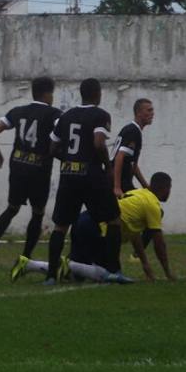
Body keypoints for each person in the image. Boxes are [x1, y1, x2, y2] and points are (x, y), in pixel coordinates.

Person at [14, 172, 175, 284]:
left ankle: (28, 265)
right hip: (97, 230)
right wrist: (167, 272)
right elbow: (159, 244)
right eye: (170, 188)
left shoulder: (139, 193)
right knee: (108, 276)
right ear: (164, 188)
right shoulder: (153, 205)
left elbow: (135, 234)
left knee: (75, 277)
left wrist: (145, 263)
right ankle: (67, 264)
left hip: (84, 220)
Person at [44, 78, 123, 284]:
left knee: (60, 226)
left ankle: (51, 275)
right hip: (91, 175)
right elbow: (98, 143)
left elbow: (52, 148)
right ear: (98, 94)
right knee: (113, 219)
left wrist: (70, 160)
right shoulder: (100, 115)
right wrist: (108, 167)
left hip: (69, 175)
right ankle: (113, 270)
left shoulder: (65, 116)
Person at [0, 76, 61, 267]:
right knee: (38, 213)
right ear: (47, 94)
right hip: (39, 169)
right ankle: (25, 257)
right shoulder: (54, 114)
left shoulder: (17, 111)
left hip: (18, 166)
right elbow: (60, 135)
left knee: (12, 208)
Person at [111, 98, 154, 199]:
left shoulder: (134, 131)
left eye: (152, 110)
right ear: (138, 113)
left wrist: (146, 186)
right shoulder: (133, 131)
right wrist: (117, 187)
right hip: (120, 184)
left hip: (125, 183)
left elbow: (133, 166)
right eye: (149, 110)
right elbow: (119, 156)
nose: (152, 113)